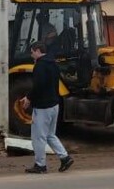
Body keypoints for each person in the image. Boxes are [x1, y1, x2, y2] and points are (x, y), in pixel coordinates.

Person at [20, 41, 75, 174]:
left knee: (38, 137)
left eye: (32, 52)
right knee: (50, 134)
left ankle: (40, 165)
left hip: (42, 107)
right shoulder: (54, 64)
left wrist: (29, 98)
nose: (31, 54)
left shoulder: (40, 66)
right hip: (54, 104)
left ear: (38, 51)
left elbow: (38, 85)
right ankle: (65, 157)